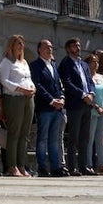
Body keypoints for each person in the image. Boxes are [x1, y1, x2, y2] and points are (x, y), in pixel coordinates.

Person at [0, 34, 35, 177]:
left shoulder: (24, 62)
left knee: (25, 133)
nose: (21, 46)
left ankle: (21, 165)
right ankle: (12, 166)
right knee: (14, 132)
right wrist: (21, 89)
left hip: (28, 98)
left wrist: (32, 88)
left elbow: (28, 78)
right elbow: (4, 80)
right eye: (18, 43)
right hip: (14, 98)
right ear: (11, 45)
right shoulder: (6, 62)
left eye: (22, 43)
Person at [31, 39, 67, 177]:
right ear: (39, 49)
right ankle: (42, 167)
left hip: (57, 109)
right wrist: (51, 100)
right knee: (42, 139)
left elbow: (59, 85)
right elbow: (38, 85)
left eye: (51, 47)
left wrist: (62, 98)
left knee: (54, 139)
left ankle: (55, 167)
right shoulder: (35, 65)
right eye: (47, 47)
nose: (50, 49)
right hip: (44, 107)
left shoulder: (53, 65)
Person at [59, 37, 94, 175]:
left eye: (79, 45)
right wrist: (82, 95)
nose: (78, 48)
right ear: (68, 49)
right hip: (75, 104)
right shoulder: (66, 63)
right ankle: (72, 166)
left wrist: (91, 93)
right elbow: (67, 82)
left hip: (87, 104)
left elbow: (89, 80)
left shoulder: (84, 64)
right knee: (73, 137)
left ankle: (83, 166)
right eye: (74, 46)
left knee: (84, 137)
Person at [83, 51, 103, 175]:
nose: (96, 64)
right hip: (92, 111)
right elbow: (87, 93)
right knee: (90, 138)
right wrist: (96, 106)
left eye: (97, 62)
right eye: (93, 62)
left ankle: (101, 164)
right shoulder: (86, 76)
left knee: (100, 139)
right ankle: (88, 163)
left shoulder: (102, 77)